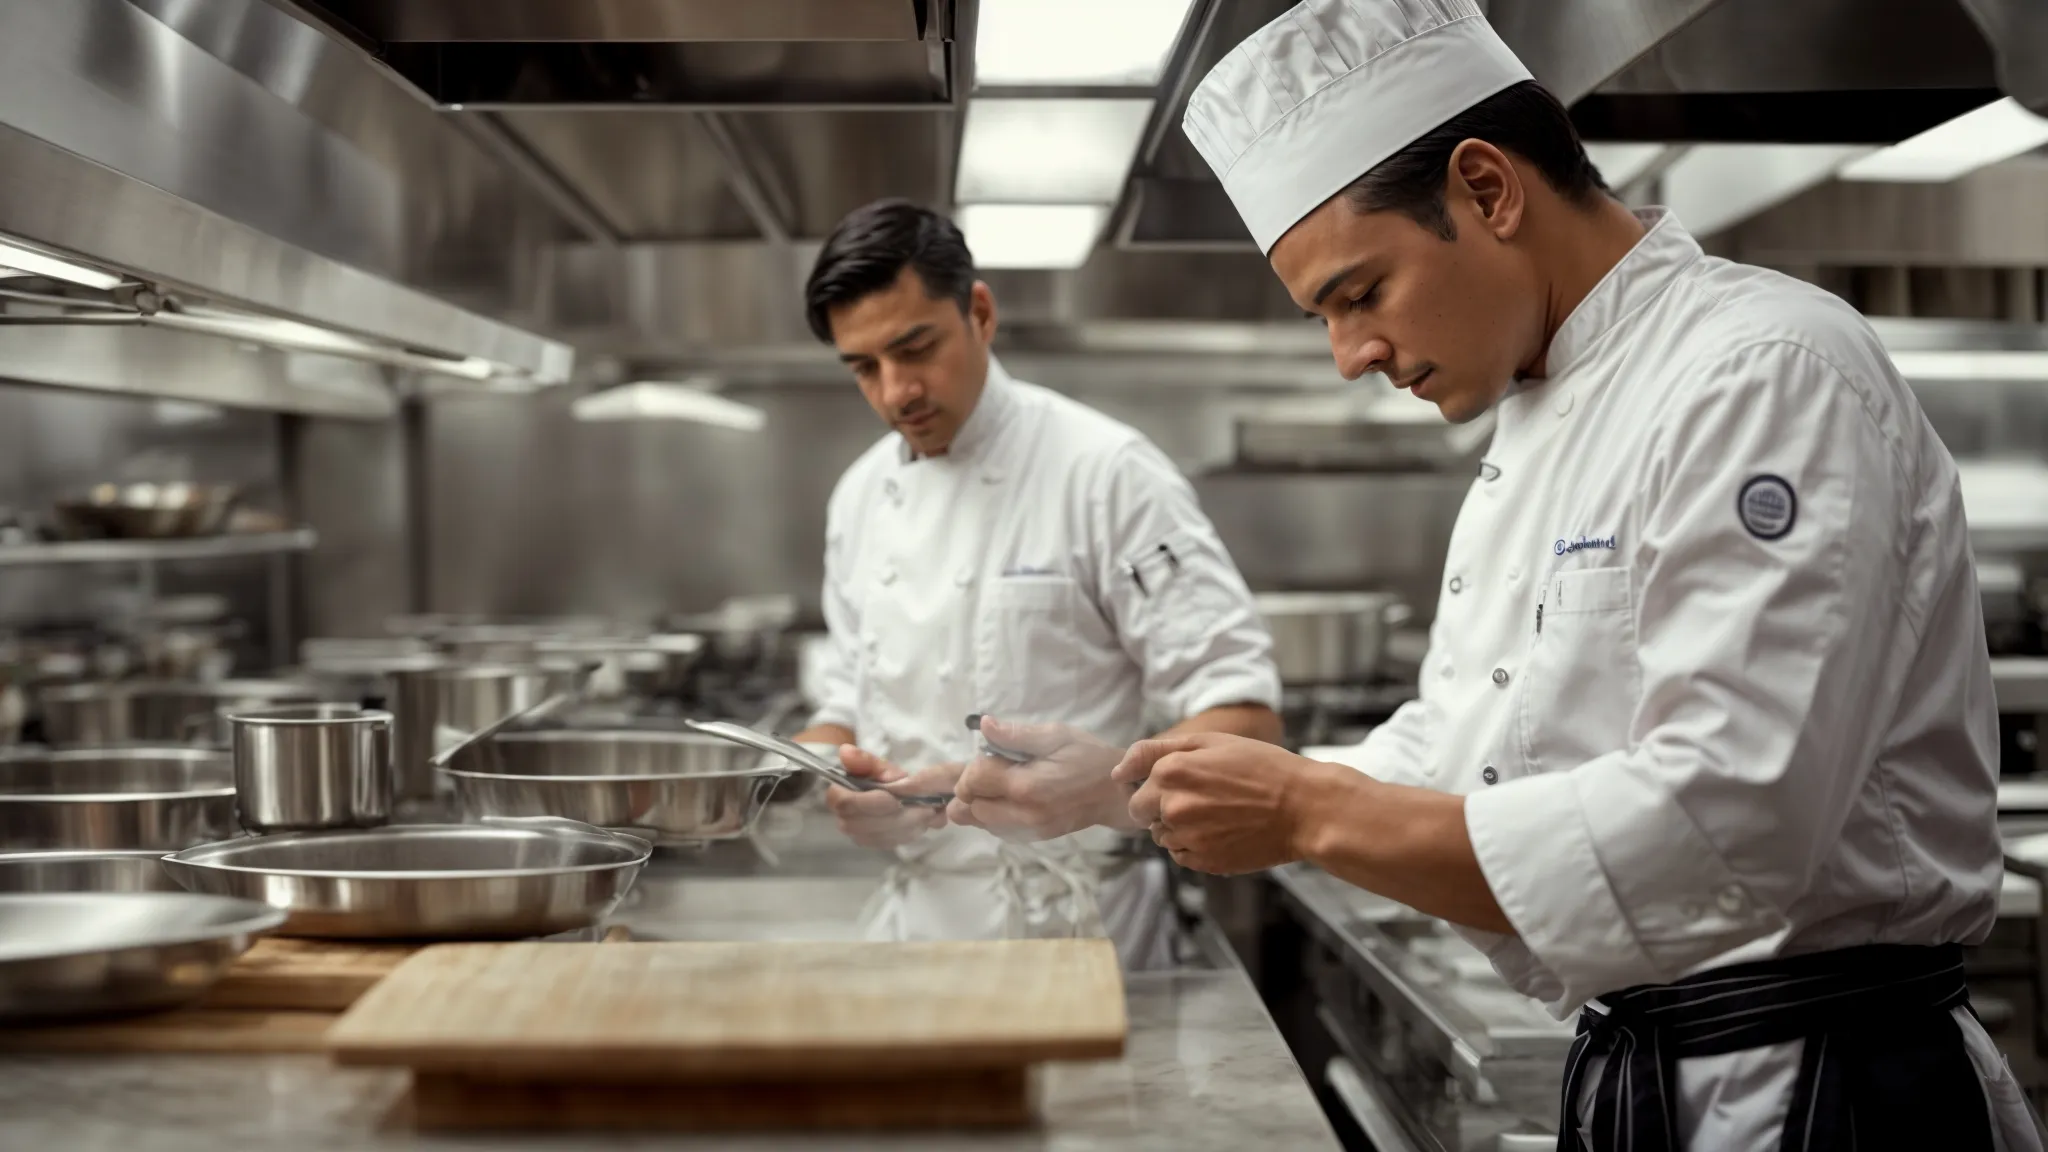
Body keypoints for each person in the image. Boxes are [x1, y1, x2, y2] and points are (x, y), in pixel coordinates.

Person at [948, 2, 2042, 1149]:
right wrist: (1135, 790)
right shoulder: (1536, 411)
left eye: (1358, 293)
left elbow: (1728, 818)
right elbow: (1443, 757)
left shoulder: (1760, 372)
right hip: (1650, 1083)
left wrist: (1307, 807)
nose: (1350, 355)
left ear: (1485, 188)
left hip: (1820, 1096)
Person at [788, 198, 1284, 970]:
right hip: (911, 936)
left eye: (915, 347)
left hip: (1077, 932)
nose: (896, 392)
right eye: (864, 368)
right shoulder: (857, 498)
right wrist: (833, 779)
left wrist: (1108, 793)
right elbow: (845, 705)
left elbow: (1245, 719)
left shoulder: (1106, 473)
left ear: (979, 313)